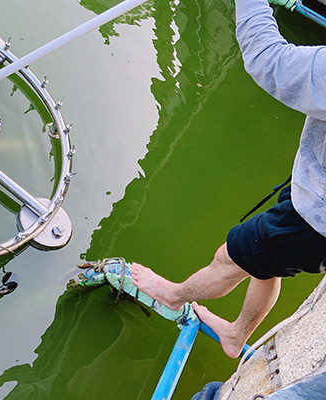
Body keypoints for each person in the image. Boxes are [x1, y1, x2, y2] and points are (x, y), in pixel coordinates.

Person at [131, 0, 326, 358]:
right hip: (314, 197)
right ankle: (235, 336)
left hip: (316, 220)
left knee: (230, 258)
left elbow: (267, 59)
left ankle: (172, 295)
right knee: (267, 265)